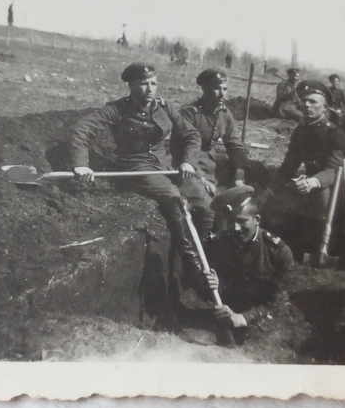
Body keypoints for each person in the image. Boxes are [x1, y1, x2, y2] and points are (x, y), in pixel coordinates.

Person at [69, 63, 211, 327]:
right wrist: (81, 164)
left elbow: (191, 134)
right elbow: (82, 129)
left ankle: (204, 259)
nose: (150, 89)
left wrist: (188, 161)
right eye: (144, 84)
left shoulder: (165, 107)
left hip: (168, 166)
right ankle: (190, 264)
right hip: (136, 168)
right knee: (173, 198)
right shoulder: (117, 109)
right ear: (131, 85)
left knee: (203, 202)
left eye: (154, 83)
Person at [193, 186, 295, 344]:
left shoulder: (278, 252)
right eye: (232, 221)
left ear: (257, 220)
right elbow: (204, 280)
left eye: (241, 221)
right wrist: (211, 284)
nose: (236, 228)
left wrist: (243, 318)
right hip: (224, 310)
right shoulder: (220, 243)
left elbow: (277, 301)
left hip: (258, 315)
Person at [261, 80, 345, 252]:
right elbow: (289, 165)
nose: (307, 105)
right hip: (307, 181)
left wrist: (313, 181)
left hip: (331, 184)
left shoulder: (335, 133)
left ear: (325, 107)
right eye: (305, 101)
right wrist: (271, 189)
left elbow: (336, 170)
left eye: (313, 102)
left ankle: (320, 248)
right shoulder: (301, 131)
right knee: (277, 198)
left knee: (322, 199)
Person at [180, 69, 248, 197]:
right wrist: (202, 179)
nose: (222, 94)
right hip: (191, 163)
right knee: (205, 198)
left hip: (212, 162)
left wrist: (239, 176)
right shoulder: (189, 113)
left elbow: (235, 145)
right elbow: (182, 150)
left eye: (225, 89)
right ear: (204, 88)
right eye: (217, 88)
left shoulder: (224, 113)